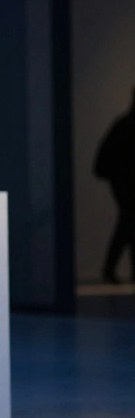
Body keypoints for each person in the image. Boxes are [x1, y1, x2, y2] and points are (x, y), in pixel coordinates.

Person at [95, 86, 135, 284]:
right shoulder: (125, 126)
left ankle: (110, 269)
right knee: (127, 224)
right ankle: (110, 269)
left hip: (122, 184)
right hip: (125, 184)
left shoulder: (123, 124)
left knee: (127, 224)